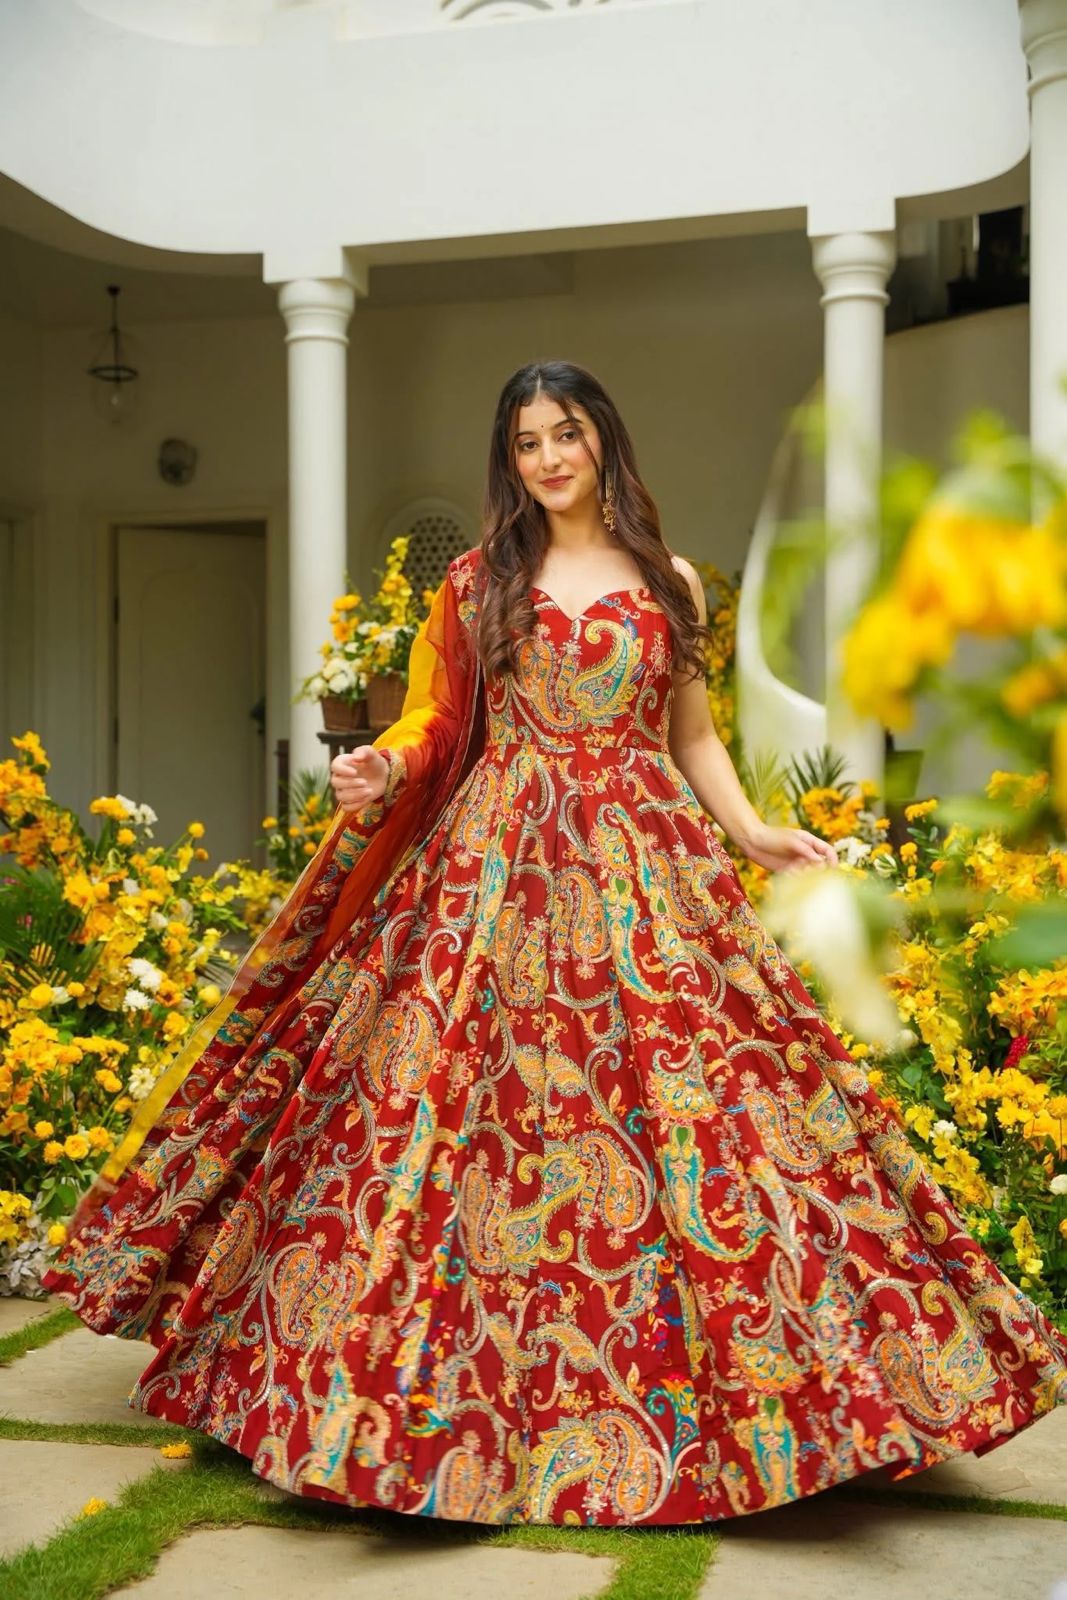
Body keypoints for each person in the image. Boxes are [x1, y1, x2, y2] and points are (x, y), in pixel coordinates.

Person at [43, 358, 1067, 1527]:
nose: (546, 458)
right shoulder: (481, 582)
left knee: (717, 1117)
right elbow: (437, 719)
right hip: (495, 869)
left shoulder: (668, 581)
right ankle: (393, 1408)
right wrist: (382, 764)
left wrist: (754, 832)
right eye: (525, 441)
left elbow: (691, 735)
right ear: (510, 459)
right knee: (443, 1125)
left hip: (646, 869)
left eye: (563, 434)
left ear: (601, 441)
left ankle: (775, 1401)